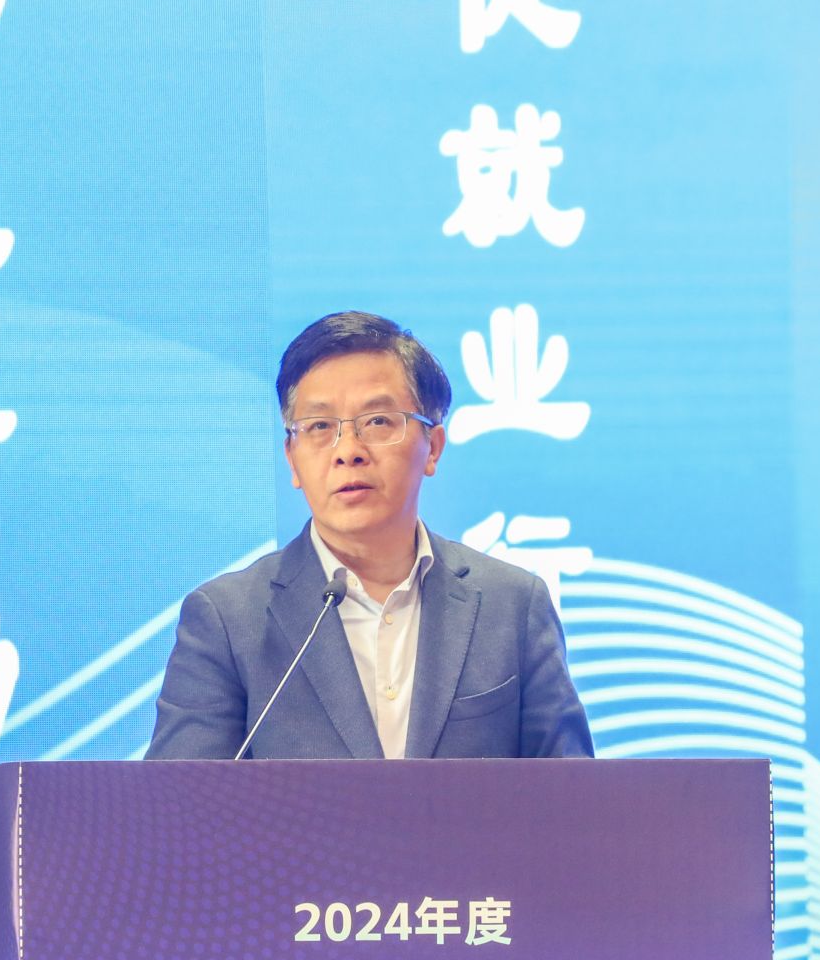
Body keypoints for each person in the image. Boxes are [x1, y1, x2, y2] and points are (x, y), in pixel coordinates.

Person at [146, 311, 593, 760]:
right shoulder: (227, 621)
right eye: (319, 427)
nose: (348, 452)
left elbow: (572, 795)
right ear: (292, 458)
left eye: (378, 421)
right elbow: (182, 801)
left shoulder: (513, 606)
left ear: (433, 448)